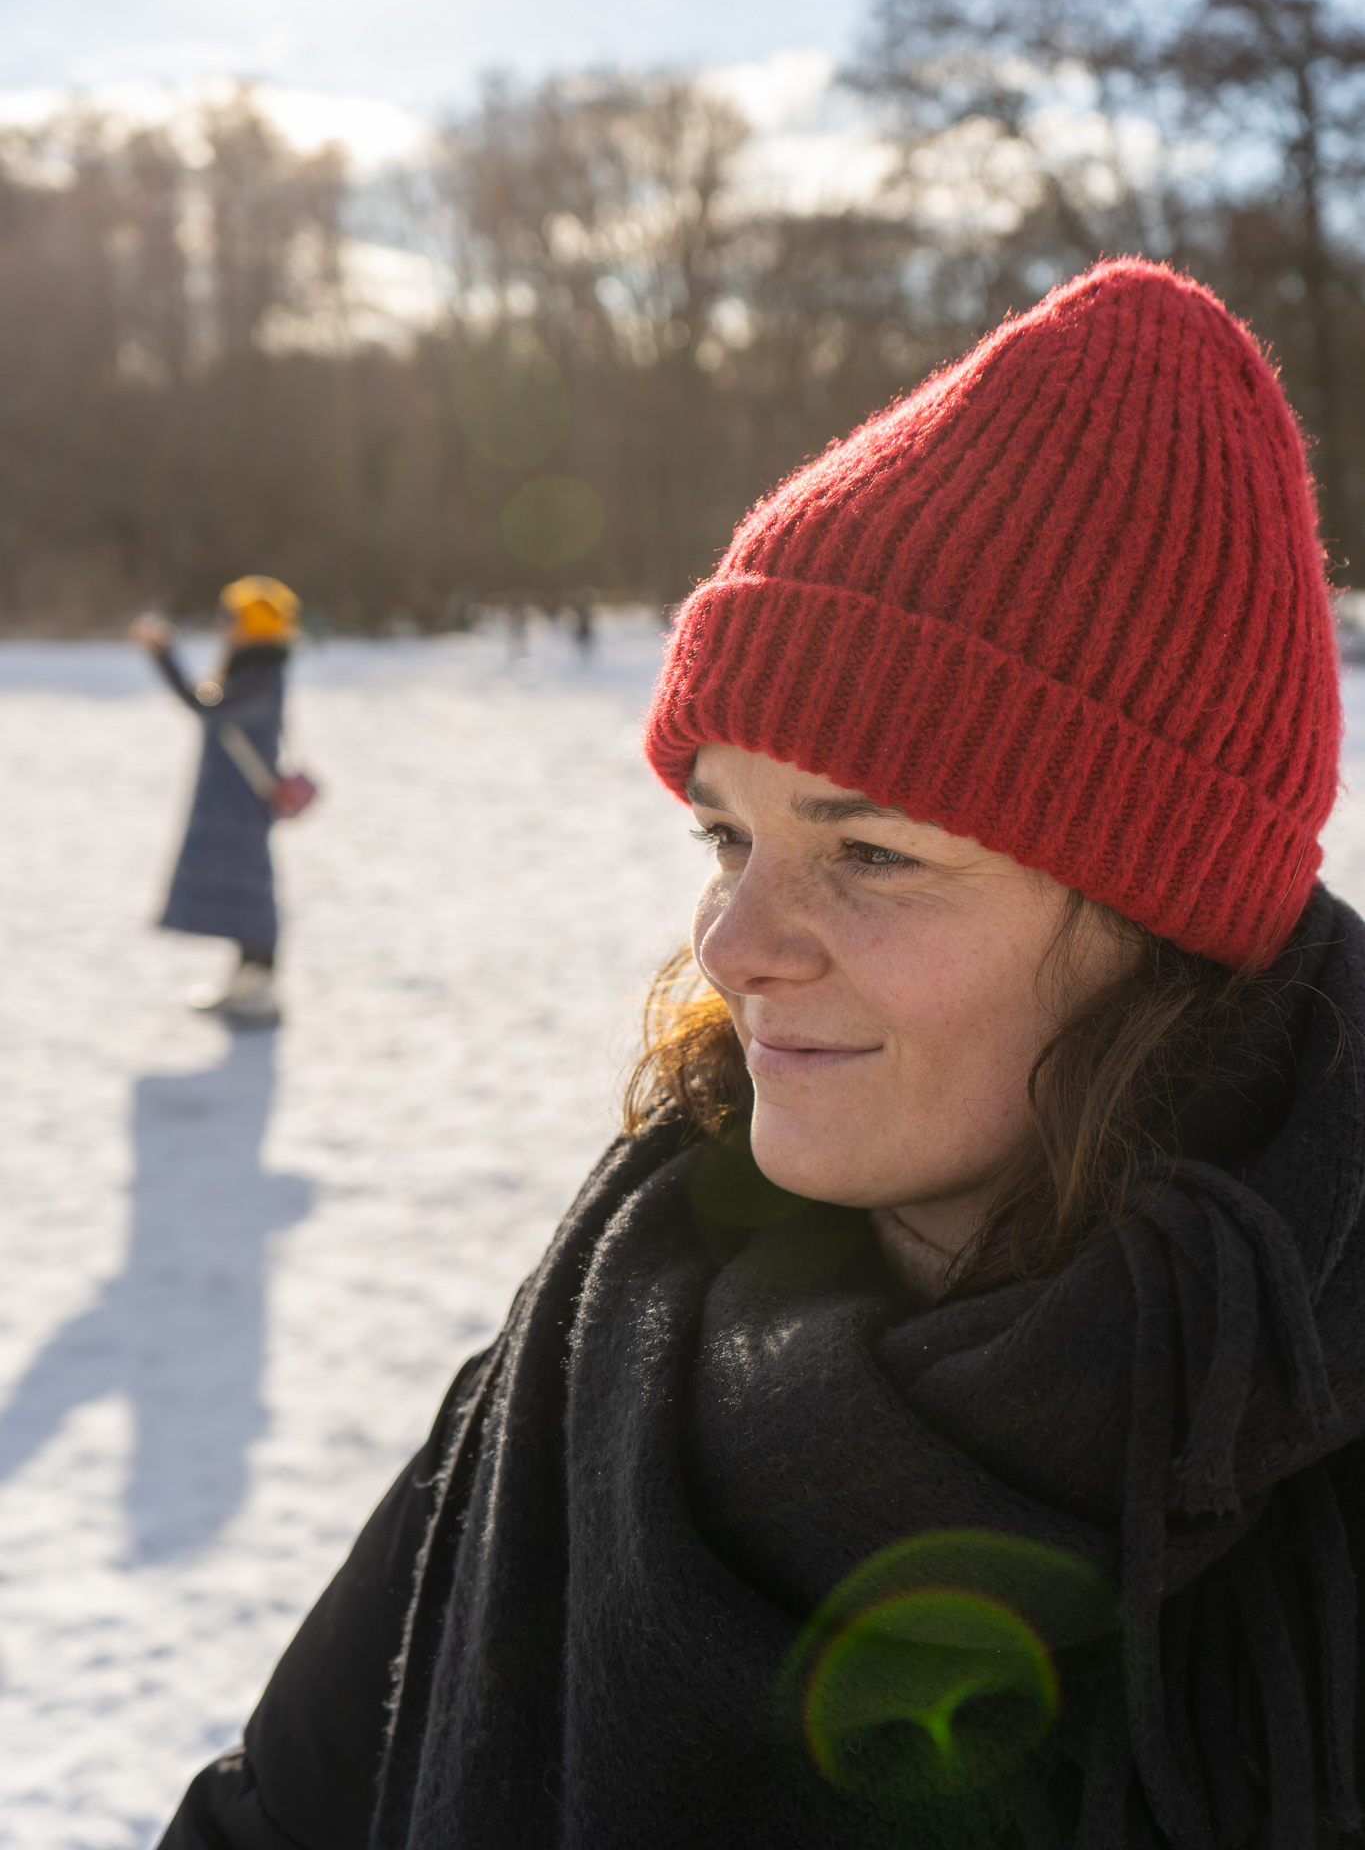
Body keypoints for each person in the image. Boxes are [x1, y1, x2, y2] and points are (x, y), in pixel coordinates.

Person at [157, 262, 1365, 1849]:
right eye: (726, 833)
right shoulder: (606, 1342)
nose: (732, 947)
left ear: (1159, 914)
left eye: (868, 855)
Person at [131, 576, 300, 1028]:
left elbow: (204, 705)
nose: (223, 626)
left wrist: (163, 654)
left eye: (231, 618)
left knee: (253, 888)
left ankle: (261, 985)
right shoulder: (251, 666)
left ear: (254, 625)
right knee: (240, 887)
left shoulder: (259, 671)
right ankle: (245, 981)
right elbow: (209, 702)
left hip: (241, 799)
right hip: (230, 796)